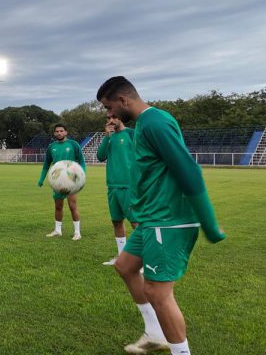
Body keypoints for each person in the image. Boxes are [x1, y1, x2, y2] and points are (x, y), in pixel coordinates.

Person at [97, 76, 226, 355]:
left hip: (169, 220)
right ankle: (155, 333)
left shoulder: (155, 122)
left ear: (123, 100)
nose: (108, 114)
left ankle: (181, 352)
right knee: (126, 266)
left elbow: (188, 170)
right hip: (152, 218)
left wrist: (209, 223)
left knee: (158, 292)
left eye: (108, 107)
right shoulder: (144, 124)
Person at [96, 115, 137, 266]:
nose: (111, 120)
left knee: (136, 223)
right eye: (108, 118)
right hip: (112, 186)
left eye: (114, 117)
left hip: (130, 186)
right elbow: (100, 156)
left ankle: (145, 262)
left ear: (121, 118)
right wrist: (106, 137)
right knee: (116, 222)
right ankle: (122, 257)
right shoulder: (110, 137)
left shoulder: (132, 133)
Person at [37, 124, 86, 240]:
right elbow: (46, 165)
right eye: (57, 131)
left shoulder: (73, 145)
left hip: (71, 181)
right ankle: (58, 230)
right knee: (58, 206)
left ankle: (77, 232)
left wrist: (82, 175)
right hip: (58, 181)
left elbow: (82, 161)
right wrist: (41, 179)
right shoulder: (51, 147)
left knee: (72, 206)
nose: (59, 133)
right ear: (54, 133)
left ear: (66, 132)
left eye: (61, 131)